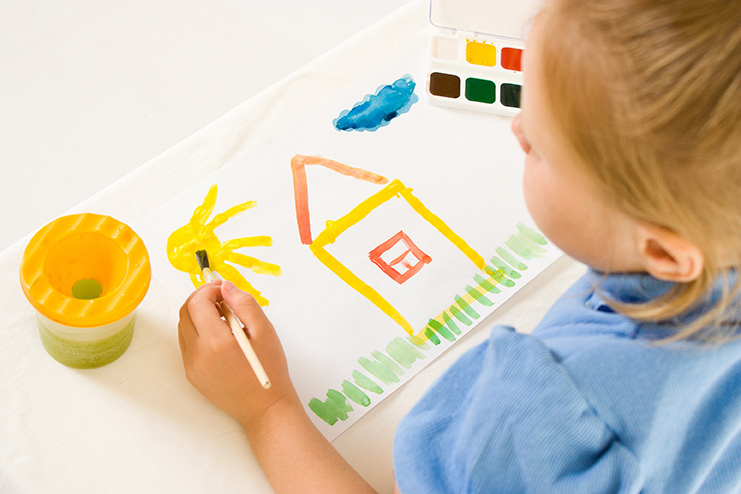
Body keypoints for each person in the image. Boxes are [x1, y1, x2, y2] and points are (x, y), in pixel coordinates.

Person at [177, 0, 741, 491]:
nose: (516, 129)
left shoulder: (538, 413)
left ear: (663, 253)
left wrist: (268, 411)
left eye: (540, 147)